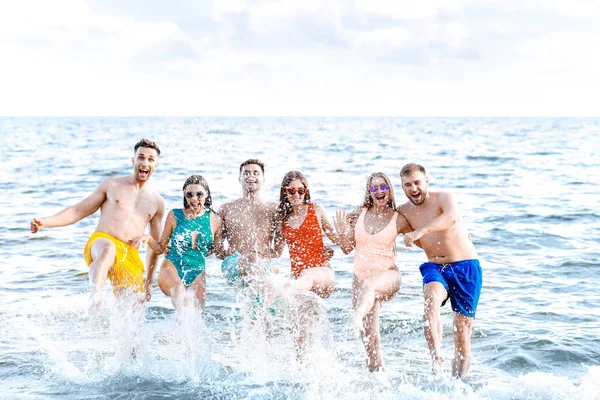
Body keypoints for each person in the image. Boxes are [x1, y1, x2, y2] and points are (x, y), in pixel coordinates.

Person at [29, 139, 165, 312]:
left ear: (156, 164)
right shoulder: (111, 185)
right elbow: (78, 211)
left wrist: (149, 282)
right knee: (109, 249)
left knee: (132, 315)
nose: (145, 163)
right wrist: (45, 222)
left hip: (129, 254)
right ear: (133, 161)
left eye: (151, 159)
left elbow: (156, 248)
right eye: (141, 157)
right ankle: (96, 297)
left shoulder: (157, 202)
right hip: (102, 241)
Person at [397, 163, 482, 379]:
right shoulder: (404, 211)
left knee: (462, 331)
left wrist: (421, 231)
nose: (413, 188)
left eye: (417, 183)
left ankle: (458, 384)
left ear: (427, 181)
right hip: (435, 266)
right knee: (431, 298)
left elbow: (451, 218)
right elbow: (386, 224)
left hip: (465, 266)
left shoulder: (444, 197)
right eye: (407, 185)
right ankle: (437, 358)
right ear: (402, 187)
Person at [333, 172, 412, 372]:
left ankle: (357, 315)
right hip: (360, 278)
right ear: (369, 192)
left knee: (369, 287)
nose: (379, 192)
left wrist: (455, 237)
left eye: (383, 187)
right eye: (374, 188)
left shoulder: (398, 218)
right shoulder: (359, 213)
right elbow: (346, 248)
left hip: (388, 275)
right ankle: (378, 381)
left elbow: (422, 236)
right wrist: (342, 231)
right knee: (370, 342)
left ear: (389, 190)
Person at [273, 171, 339, 357]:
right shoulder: (283, 219)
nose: (296, 195)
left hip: (322, 275)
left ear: (306, 191)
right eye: (291, 191)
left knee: (307, 275)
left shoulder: (316, 209)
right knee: (300, 330)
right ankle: (302, 369)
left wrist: (341, 235)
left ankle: (284, 291)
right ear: (284, 192)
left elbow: (338, 240)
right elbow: (276, 252)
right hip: (301, 284)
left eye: (300, 191)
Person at [131, 175, 221, 310]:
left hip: (197, 271)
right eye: (189, 195)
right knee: (179, 292)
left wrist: (200, 246)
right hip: (172, 266)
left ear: (207, 195)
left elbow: (216, 250)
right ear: (184, 196)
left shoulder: (215, 220)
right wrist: (148, 238)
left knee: (196, 314)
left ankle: (177, 331)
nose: (194, 199)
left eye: (199, 194)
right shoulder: (174, 215)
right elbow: (160, 248)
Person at [213, 159, 279, 288]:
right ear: (240, 179)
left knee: (254, 261)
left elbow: (279, 249)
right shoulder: (227, 209)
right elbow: (218, 250)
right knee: (250, 260)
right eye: (246, 173)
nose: (251, 176)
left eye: (256, 173)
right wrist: (232, 255)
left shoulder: (273, 209)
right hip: (233, 264)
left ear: (263, 179)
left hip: (262, 264)